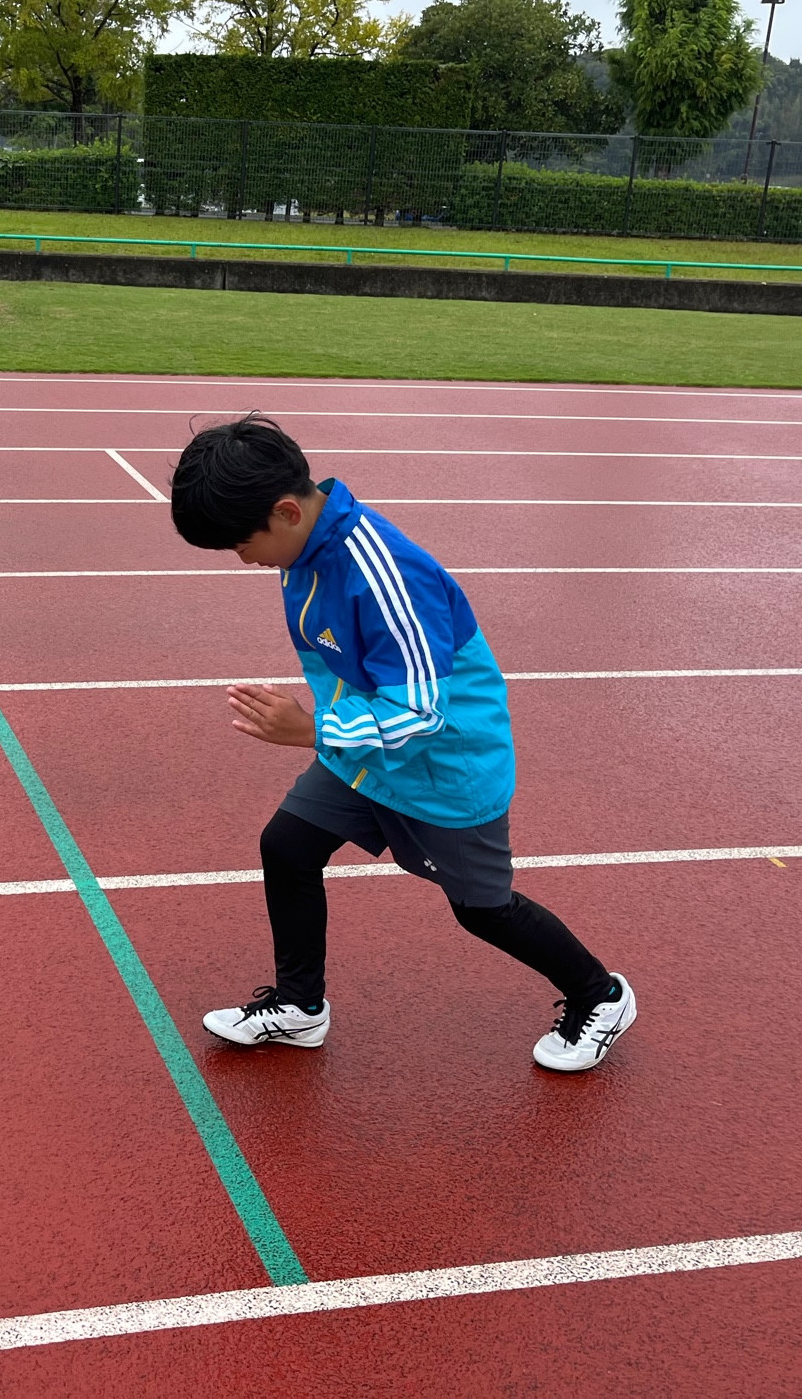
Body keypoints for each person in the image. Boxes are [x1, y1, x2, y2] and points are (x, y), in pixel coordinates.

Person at [170, 414, 635, 1072]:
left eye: (243, 545)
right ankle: (301, 1007)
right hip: (366, 749)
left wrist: (310, 730)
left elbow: (420, 713)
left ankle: (600, 995)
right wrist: (327, 731)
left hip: (443, 766)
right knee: (288, 845)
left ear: (286, 512)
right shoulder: (305, 553)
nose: (245, 560)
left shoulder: (384, 573)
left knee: (484, 911)